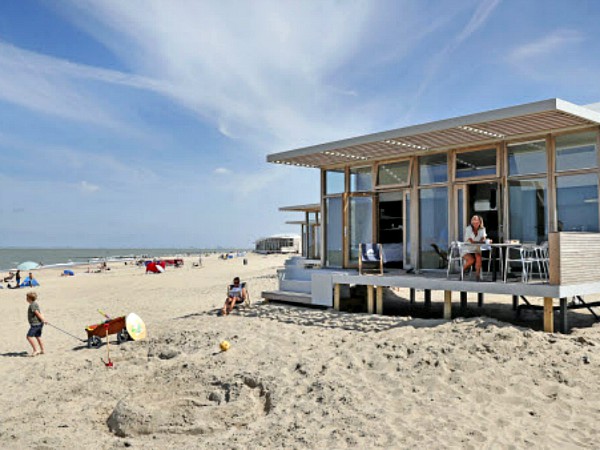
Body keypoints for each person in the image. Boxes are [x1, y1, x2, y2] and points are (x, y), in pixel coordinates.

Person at [462, 215, 489, 281]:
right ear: (471, 222)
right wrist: (482, 241)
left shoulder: (482, 229)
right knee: (471, 260)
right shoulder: (468, 229)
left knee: (479, 257)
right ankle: (462, 271)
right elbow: (472, 241)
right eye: (473, 220)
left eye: (476, 221)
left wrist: (486, 240)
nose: (475, 222)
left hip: (476, 248)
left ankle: (477, 276)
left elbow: (483, 239)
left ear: (480, 222)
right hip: (467, 248)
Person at [26, 292, 47, 357]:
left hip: (35, 324)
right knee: (38, 336)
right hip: (39, 323)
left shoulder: (32, 305)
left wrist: (43, 319)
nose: (26, 299)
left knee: (29, 337)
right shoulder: (35, 304)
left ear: (29, 298)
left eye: (27, 297)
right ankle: (42, 350)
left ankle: (35, 350)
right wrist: (43, 319)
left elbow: (37, 313)